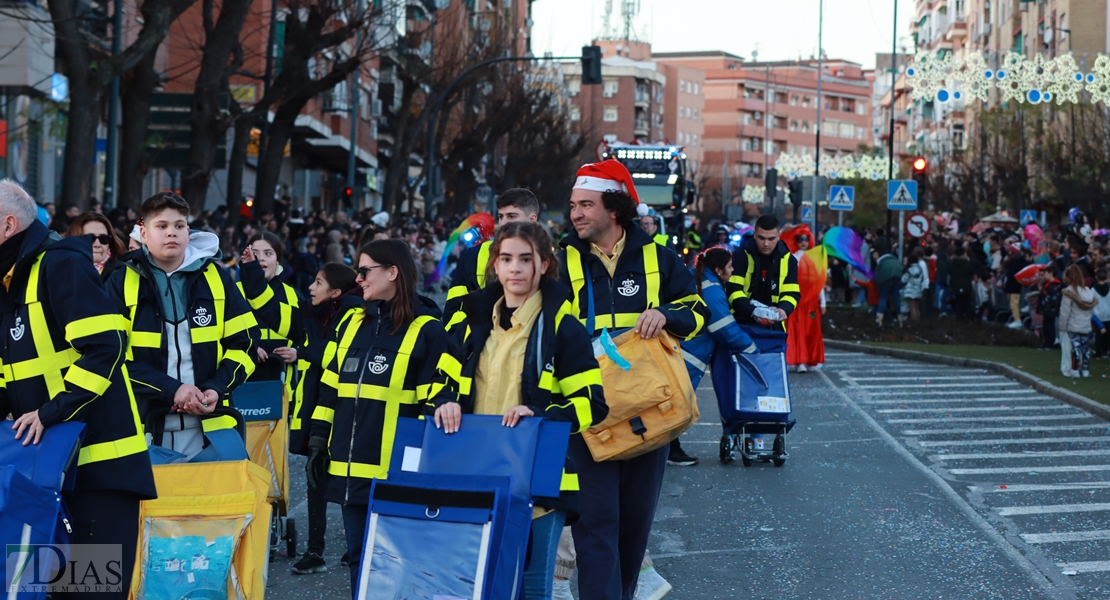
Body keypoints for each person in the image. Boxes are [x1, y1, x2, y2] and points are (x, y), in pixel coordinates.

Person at [557, 158, 709, 600]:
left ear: (614, 210)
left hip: (649, 411)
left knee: (634, 528)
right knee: (594, 523)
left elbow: (697, 311)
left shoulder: (658, 257)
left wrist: (667, 315)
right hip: (587, 413)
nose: (576, 213)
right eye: (573, 205)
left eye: (586, 204)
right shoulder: (557, 261)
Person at [432, 222, 608, 600]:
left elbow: (593, 404)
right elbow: (438, 383)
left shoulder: (565, 327)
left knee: (531, 590)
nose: (515, 268)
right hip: (475, 472)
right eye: (507, 258)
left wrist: (541, 415)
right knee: (474, 584)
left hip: (538, 479)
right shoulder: (469, 322)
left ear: (544, 264)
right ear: (495, 265)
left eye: (525, 259)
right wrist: (444, 401)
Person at [0, 180, 156, 598]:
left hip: (98, 472)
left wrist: (50, 412)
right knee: (43, 590)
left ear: (7, 225)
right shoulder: (11, 280)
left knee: (88, 593)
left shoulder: (58, 264)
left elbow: (107, 347)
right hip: (45, 473)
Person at [307, 239, 449, 596]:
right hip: (349, 471)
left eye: (365, 270)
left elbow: (434, 405)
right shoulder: (351, 323)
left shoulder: (427, 330)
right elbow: (330, 389)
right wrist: (316, 442)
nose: (359, 278)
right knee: (358, 559)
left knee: (399, 563)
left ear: (392, 272)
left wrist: (421, 471)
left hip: (395, 474)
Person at [106, 192, 259, 458]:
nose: (171, 233)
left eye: (179, 226)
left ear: (189, 231)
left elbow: (245, 345)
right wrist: (172, 389)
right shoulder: (119, 283)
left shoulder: (216, 279)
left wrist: (216, 388)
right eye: (161, 226)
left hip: (212, 430)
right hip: (141, 428)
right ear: (143, 234)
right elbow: (110, 356)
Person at [289, 263, 361, 575]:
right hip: (313, 408)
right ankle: (314, 551)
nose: (311, 287)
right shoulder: (308, 313)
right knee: (314, 478)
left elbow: (340, 353)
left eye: (318, 283)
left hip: (343, 409)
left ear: (335, 292)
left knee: (347, 481)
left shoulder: (356, 314)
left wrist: (304, 351)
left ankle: (355, 547)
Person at [444, 188, 540, 328]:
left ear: (532, 220)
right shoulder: (473, 256)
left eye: (512, 216)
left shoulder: (548, 261)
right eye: (501, 216)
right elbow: (453, 311)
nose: (504, 223)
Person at [726, 214, 800, 331]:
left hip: (774, 326)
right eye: (761, 238)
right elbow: (733, 290)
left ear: (779, 236)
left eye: (771, 239)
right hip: (741, 322)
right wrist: (752, 311)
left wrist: (783, 309)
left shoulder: (789, 260)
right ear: (754, 234)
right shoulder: (741, 256)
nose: (766, 244)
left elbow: (791, 293)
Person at [785, 231, 826, 371]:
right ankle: (799, 361)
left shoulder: (814, 258)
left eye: (806, 239)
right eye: (800, 239)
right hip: (796, 300)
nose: (803, 242)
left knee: (810, 330)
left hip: (811, 303)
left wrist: (823, 302)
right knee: (797, 330)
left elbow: (819, 282)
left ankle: (808, 360)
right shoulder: (792, 258)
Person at [1059, 264, 1099, 377]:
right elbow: (1090, 311)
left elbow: (1064, 312)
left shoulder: (1068, 292)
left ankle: (1071, 370)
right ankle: (1084, 370)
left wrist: (1062, 327)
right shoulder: (1087, 292)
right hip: (1085, 325)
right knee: (1084, 349)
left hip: (1072, 325)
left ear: (1068, 277)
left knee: (1071, 349)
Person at [65, 211, 127, 277]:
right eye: (90, 238)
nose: (97, 244)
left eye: (104, 238)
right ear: (75, 240)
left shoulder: (122, 272)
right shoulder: (60, 269)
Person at [872, 242, 903, 326]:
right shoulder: (895, 260)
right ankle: (901, 320)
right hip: (897, 277)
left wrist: (879, 288)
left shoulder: (881, 263)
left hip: (885, 279)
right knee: (897, 298)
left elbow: (877, 277)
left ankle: (879, 319)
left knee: (883, 298)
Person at [1036, 264, 1063, 351]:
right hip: (1047, 309)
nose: (1044, 276)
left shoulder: (1055, 285)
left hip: (1051, 309)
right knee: (1045, 326)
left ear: (1051, 274)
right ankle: (1046, 343)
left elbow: (1053, 297)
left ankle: (1050, 343)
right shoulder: (1047, 284)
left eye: (1046, 273)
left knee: (1049, 326)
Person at [947, 245, 975, 320]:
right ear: (962, 254)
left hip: (956, 285)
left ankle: (959, 317)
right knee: (967, 302)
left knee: (958, 301)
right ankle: (968, 318)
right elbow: (971, 272)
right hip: (966, 285)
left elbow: (950, 272)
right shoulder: (967, 263)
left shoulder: (952, 263)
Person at [900, 247, 927, 321]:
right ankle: (918, 321)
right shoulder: (920, 269)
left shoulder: (909, 270)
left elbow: (903, 280)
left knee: (912, 308)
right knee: (916, 307)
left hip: (910, 291)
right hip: (918, 289)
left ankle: (914, 323)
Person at [1093, 268, 1110, 358]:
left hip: (1098, 314)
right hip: (1108, 314)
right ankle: (1107, 351)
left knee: (1099, 335)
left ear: (1096, 277)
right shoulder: (1109, 288)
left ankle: (1098, 352)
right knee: (1108, 335)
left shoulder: (1093, 289)